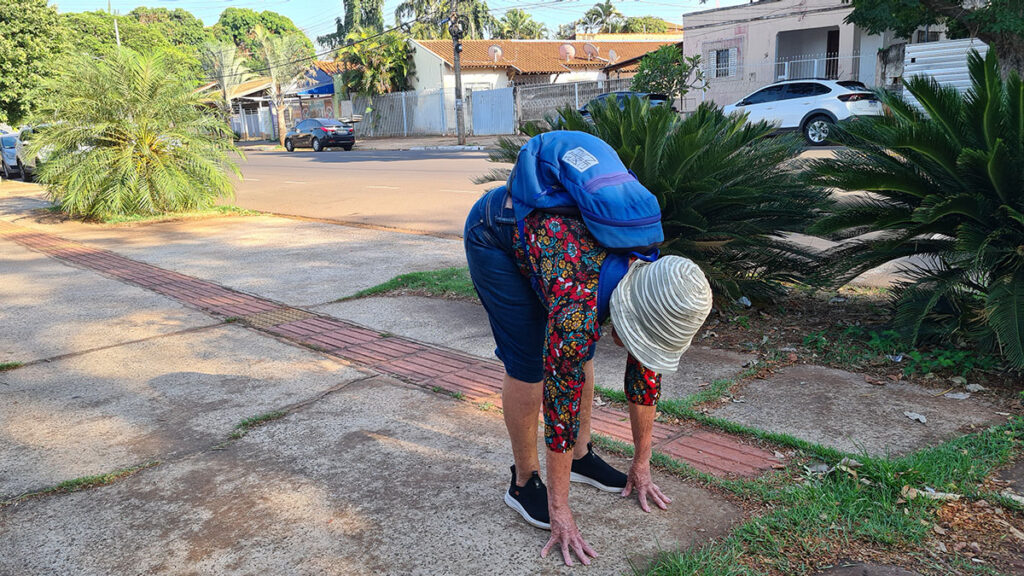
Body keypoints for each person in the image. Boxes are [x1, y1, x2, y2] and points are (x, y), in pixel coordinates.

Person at [464, 131, 714, 566]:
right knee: (530, 366)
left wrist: (642, 463)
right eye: (638, 334)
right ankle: (524, 483)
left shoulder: (653, 271)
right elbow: (559, 397)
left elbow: (644, 373)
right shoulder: (581, 293)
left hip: (560, 246)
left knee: (581, 350)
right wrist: (562, 511)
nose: (635, 344)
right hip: (496, 235)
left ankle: (581, 458)